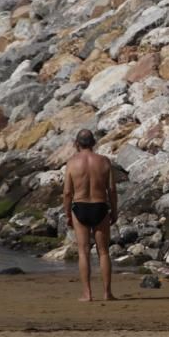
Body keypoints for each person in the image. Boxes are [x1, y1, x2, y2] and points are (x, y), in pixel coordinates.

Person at [62, 129, 117, 302]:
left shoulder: (72, 163)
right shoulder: (104, 162)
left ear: (77, 144)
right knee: (103, 252)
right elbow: (112, 190)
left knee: (83, 252)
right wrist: (114, 210)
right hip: (100, 206)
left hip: (81, 207)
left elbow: (67, 193)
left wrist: (67, 214)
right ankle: (107, 293)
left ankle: (87, 294)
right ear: (93, 143)